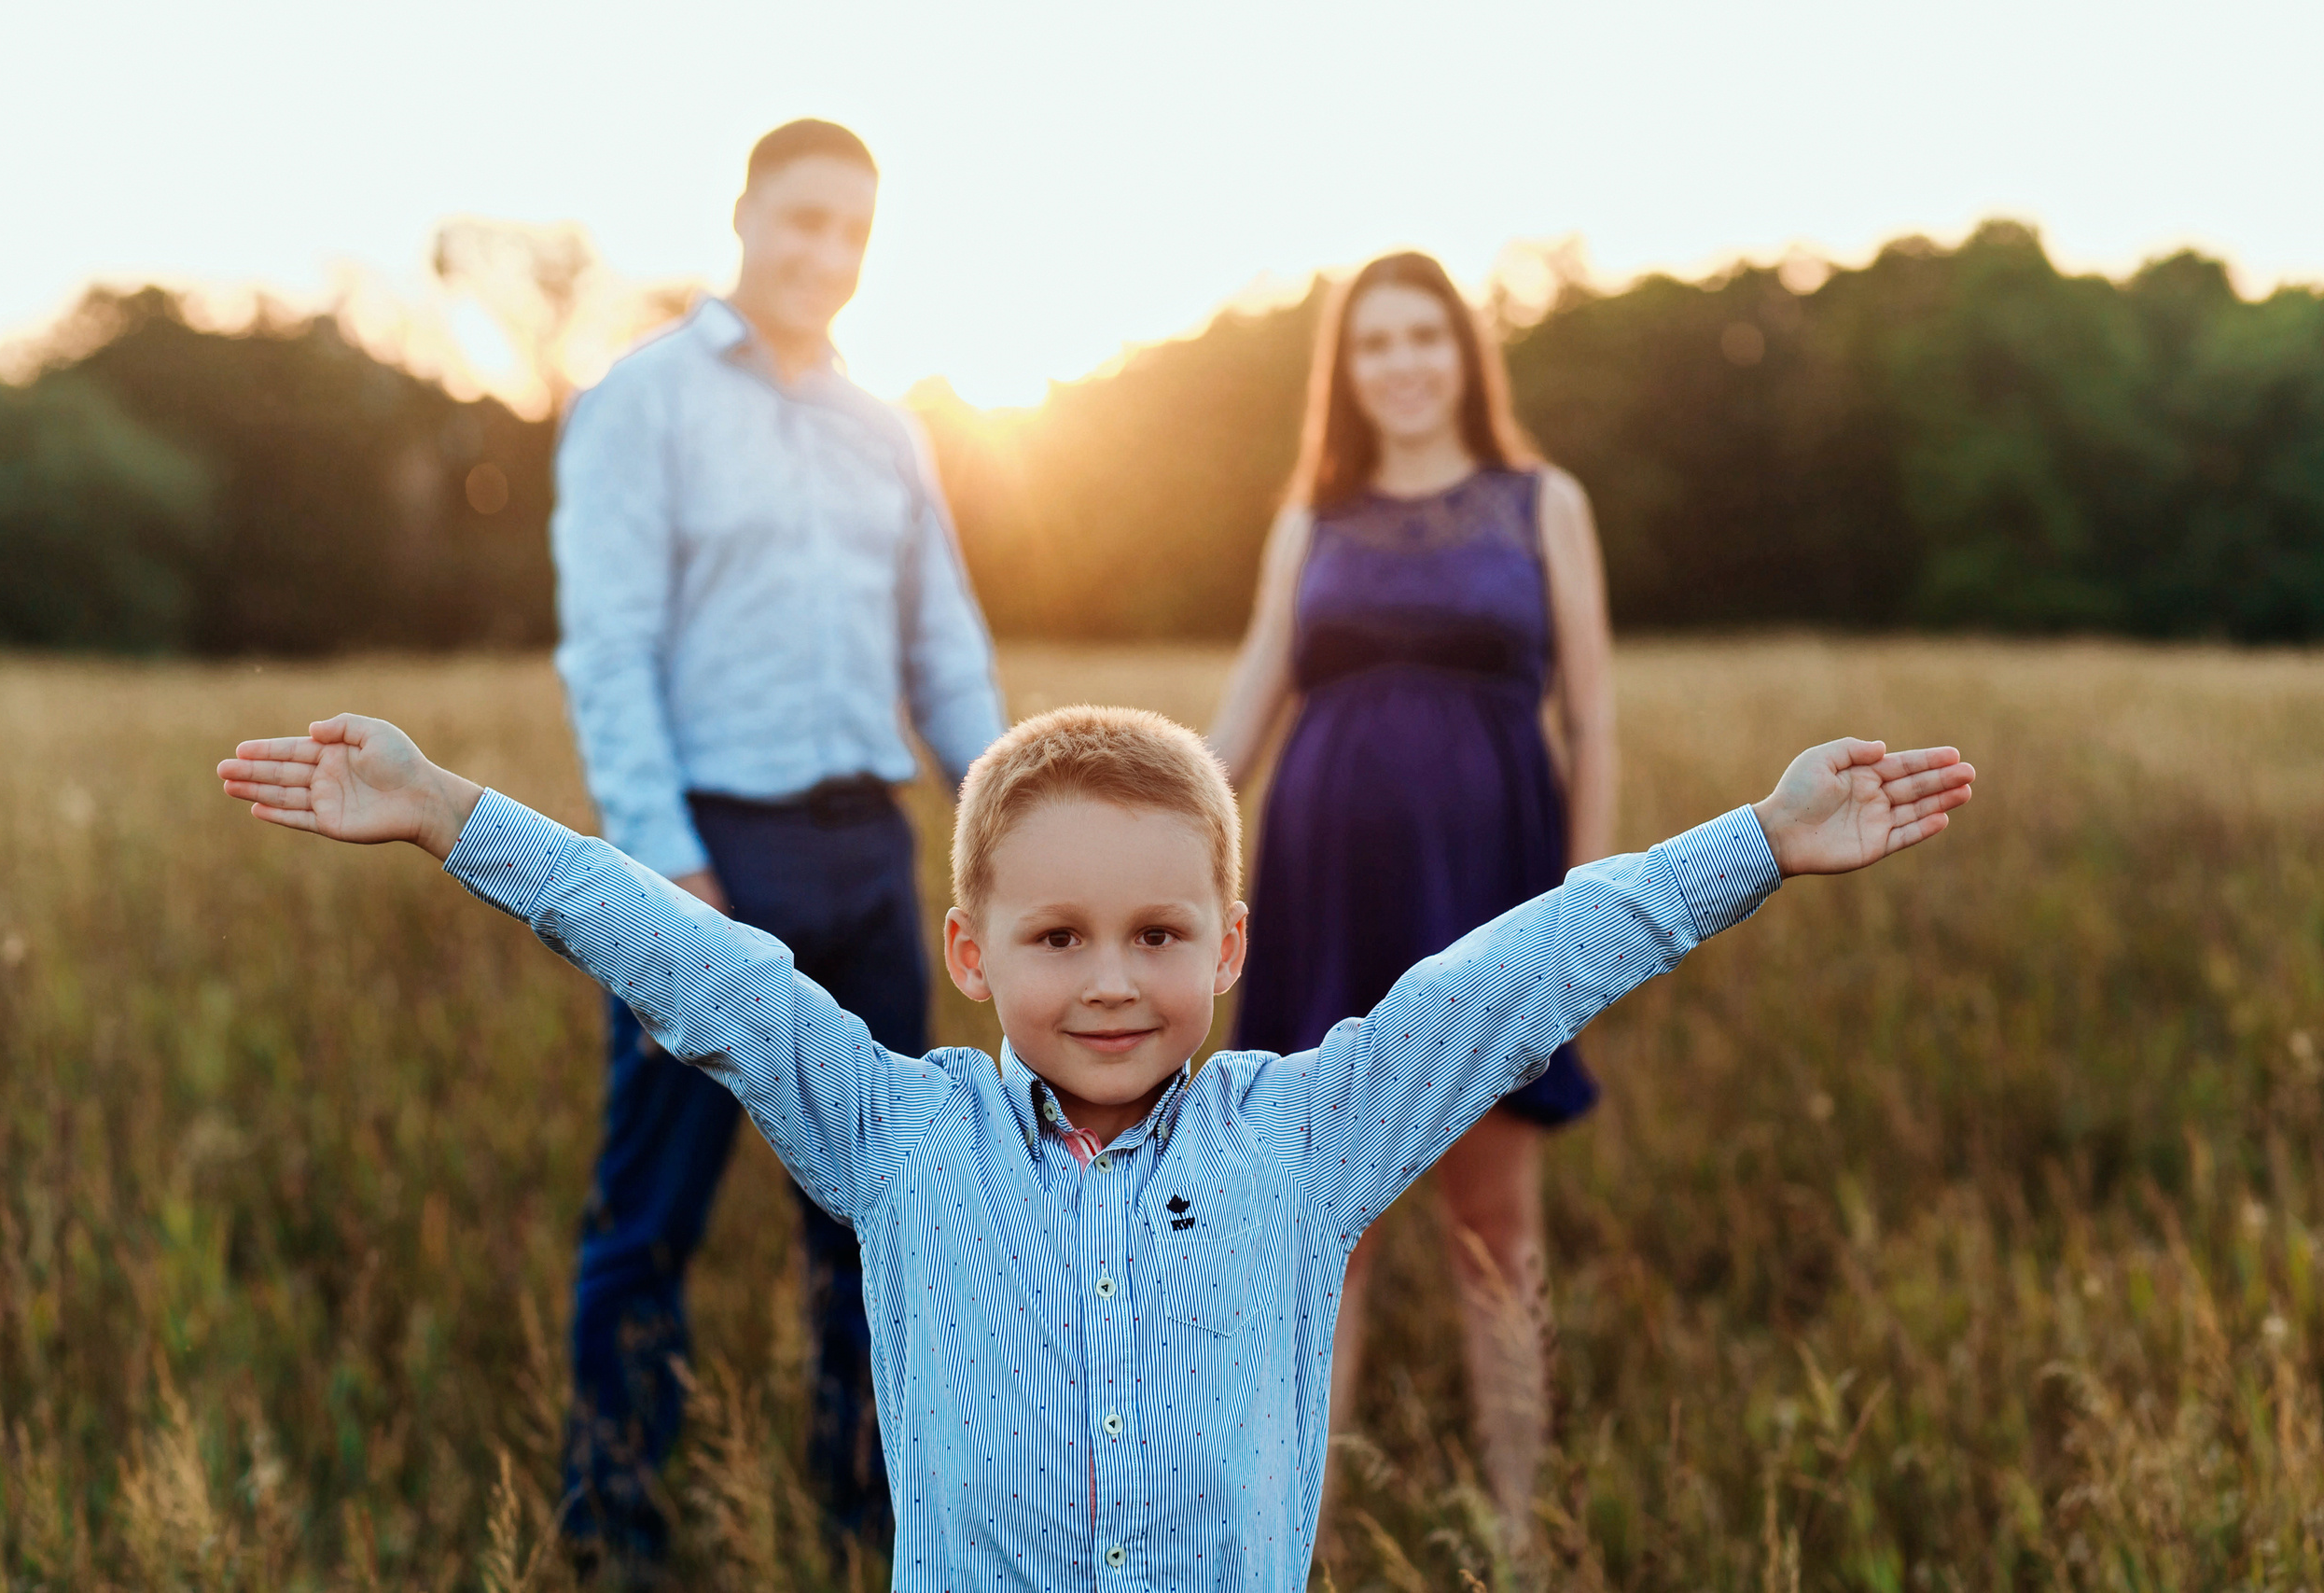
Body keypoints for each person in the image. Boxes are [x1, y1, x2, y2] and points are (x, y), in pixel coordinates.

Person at [216, 701, 1973, 1588]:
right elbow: (708, 976)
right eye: (1058, 939)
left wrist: (1752, 842)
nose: (1113, 983)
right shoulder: (901, 1132)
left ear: (1229, 942)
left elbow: (1512, 978)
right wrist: (456, 816)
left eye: (1158, 935)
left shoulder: (1307, 1133)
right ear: (973, 952)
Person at [544, 118, 1005, 1572]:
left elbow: (945, 655)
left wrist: (1013, 841)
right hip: (711, 859)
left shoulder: (889, 431)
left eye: (854, 235)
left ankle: (865, 1497)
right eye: (802, 221)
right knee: (653, 1210)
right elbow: (609, 650)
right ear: (744, 214)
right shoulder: (644, 404)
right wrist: (667, 873)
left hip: (872, 854)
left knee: (880, 1204)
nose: (825, 256)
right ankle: (618, 1520)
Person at [1208, 249, 1611, 1544]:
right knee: (1327, 1226)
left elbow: (1592, 722)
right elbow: (1242, 720)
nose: (1401, 365)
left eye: (1424, 338)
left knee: (1494, 1223)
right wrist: (1143, 844)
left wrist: (1584, 917)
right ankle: (1298, 1537)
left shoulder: (1541, 501)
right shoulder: (1308, 519)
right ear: (1347, 372)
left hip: (1492, 892)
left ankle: (1517, 1531)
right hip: (1325, 899)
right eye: (1373, 344)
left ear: (1464, 354)